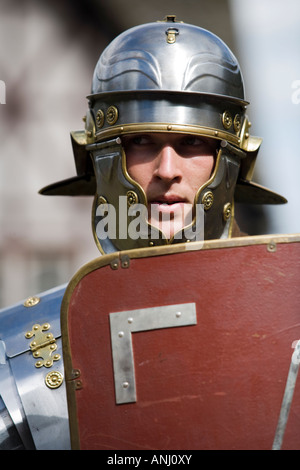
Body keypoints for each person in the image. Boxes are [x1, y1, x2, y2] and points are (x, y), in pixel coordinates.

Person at [0, 15, 286, 450]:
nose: (167, 171)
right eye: (141, 143)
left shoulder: (288, 322)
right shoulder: (17, 356)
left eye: (192, 144)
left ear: (230, 161)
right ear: (102, 159)